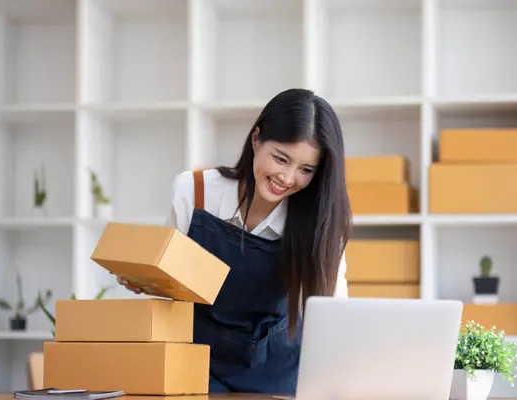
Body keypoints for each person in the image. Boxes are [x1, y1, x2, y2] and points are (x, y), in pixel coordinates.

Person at [116, 88, 352, 395]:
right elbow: (171, 283)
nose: (288, 177)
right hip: (198, 370)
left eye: (306, 169)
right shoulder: (195, 191)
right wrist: (145, 278)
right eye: (281, 158)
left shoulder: (321, 220)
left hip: (280, 381)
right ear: (256, 140)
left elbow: (335, 314)